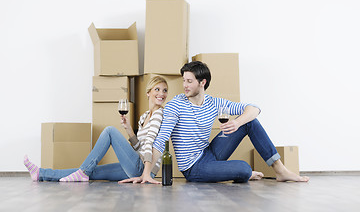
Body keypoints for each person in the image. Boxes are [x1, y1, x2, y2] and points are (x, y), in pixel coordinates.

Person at [120, 61, 309, 184]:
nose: (184, 85)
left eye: (189, 81)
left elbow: (254, 108)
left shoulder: (214, 102)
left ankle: (281, 170)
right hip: (193, 167)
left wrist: (238, 123)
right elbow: (160, 140)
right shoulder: (175, 105)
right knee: (244, 168)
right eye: (184, 80)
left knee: (250, 122)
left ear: (202, 82)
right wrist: (146, 172)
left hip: (209, 153)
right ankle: (238, 172)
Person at [24, 76, 168, 182]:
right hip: (136, 166)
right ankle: (41, 173)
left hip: (142, 169)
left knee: (110, 131)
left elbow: (150, 144)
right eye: (157, 89)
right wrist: (129, 129)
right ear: (148, 92)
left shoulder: (158, 114)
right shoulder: (144, 117)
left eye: (165, 90)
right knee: (92, 171)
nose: (161, 94)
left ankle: (83, 171)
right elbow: (139, 147)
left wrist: (146, 174)